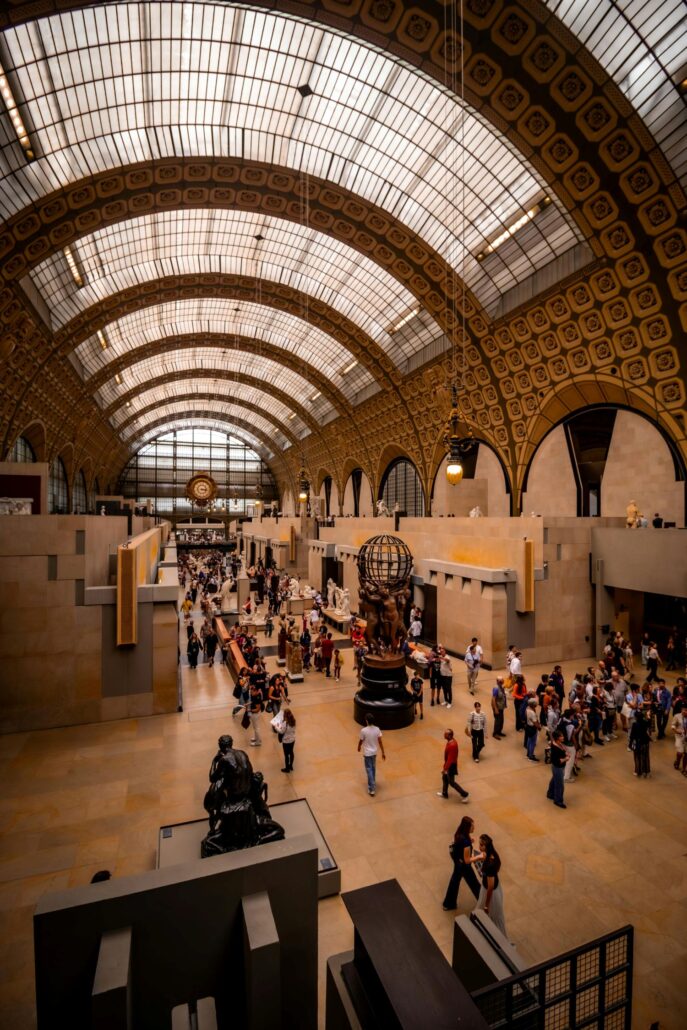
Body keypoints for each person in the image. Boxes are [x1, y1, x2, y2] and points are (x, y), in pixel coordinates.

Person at [442, 816, 481, 911]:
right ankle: (483, 903)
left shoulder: (459, 834)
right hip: (464, 866)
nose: (474, 828)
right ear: (467, 827)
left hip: (457, 862)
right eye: (472, 826)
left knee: (454, 882)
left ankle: (448, 904)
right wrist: (479, 857)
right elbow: (467, 860)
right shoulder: (466, 843)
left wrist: (470, 840)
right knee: (474, 884)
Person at [474, 834, 506, 936]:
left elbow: (490, 887)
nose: (479, 847)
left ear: (487, 846)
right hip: (495, 887)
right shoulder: (493, 854)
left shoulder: (490, 865)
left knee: (494, 916)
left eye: (481, 845)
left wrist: (487, 905)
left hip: (491, 892)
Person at [437, 729, 469, 803]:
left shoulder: (452, 745)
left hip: (451, 766)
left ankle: (465, 794)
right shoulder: (450, 742)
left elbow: (450, 759)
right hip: (449, 764)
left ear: (450, 735)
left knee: (452, 782)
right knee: (444, 778)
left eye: (445, 734)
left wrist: (445, 769)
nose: (444, 735)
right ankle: (444, 793)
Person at [547, 730, 567, 808]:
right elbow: (557, 761)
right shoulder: (555, 748)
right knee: (560, 785)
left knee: (554, 780)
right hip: (558, 768)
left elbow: (552, 739)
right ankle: (558, 801)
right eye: (561, 736)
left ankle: (550, 794)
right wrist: (566, 758)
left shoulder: (557, 743)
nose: (563, 737)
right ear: (557, 738)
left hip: (558, 768)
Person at [629, 710, 651, 777]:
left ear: (636, 717)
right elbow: (649, 723)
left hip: (638, 743)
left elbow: (632, 735)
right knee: (645, 756)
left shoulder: (635, 724)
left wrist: (630, 744)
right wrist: (648, 716)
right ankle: (646, 771)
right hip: (645, 742)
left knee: (637, 757)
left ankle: (638, 771)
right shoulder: (645, 722)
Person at [281, 708, 296, 773]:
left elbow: (281, 732)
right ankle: (291, 765)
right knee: (291, 752)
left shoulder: (285, 723)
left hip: (286, 741)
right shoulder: (293, 721)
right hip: (292, 740)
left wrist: (276, 727)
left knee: (286, 755)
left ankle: (287, 769)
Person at [672, 707, 687, 775]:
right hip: (679, 736)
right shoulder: (677, 716)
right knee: (680, 753)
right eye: (684, 710)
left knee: (686, 754)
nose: (685, 711)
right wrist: (677, 731)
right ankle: (677, 762)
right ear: (681, 710)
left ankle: (684, 769)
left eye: (686, 710)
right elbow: (673, 726)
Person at [248, 682, 263, 746]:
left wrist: (249, 710)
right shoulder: (255, 695)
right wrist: (248, 704)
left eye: (252, 692)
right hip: (254, 714)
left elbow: (257, 709)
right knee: (255, 727)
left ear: (256, 691)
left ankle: (258, 742)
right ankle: (256, 738)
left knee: (256, 728)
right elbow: (252, 702)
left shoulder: (257, 698)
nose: (251, 693)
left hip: (255, 714)